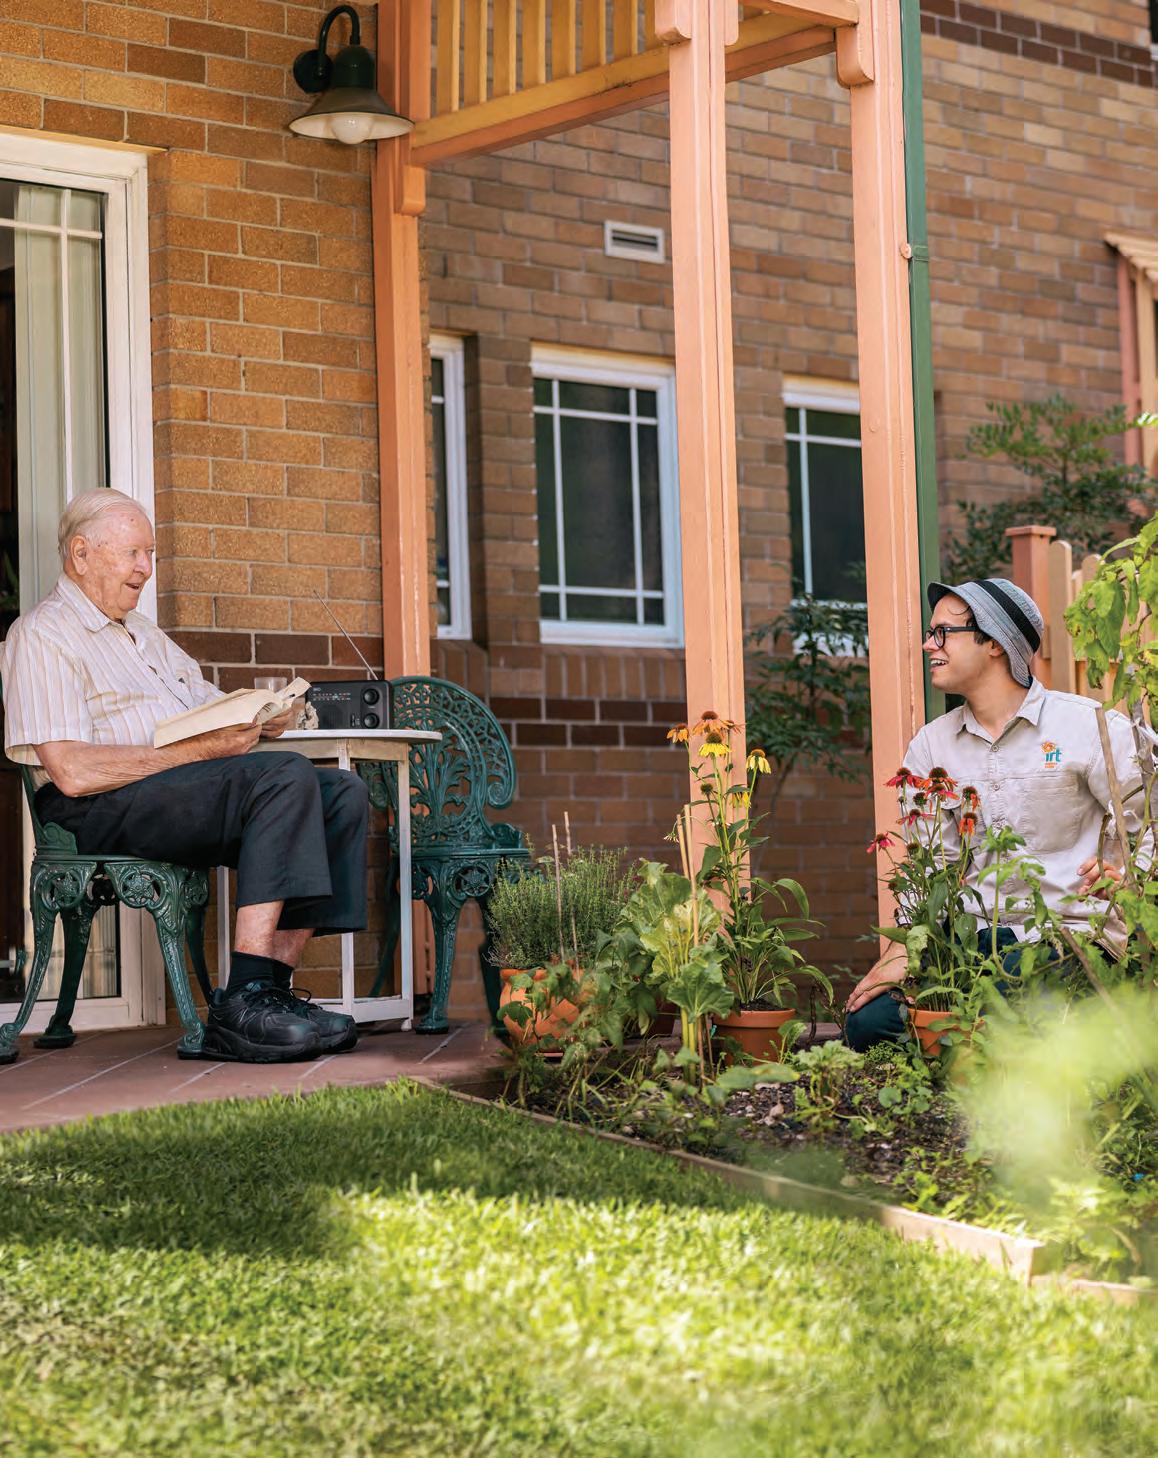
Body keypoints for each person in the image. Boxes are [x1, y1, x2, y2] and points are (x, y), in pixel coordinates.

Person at [0, 489, 368, 1063]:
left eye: (150, 554)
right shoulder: (43, 634)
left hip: (175, 789)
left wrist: (262, 718)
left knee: (341, 792)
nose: (145, 568)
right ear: (81, 554)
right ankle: (241, 1004)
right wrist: (201, 751)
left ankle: (271, 992)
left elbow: (208, 709)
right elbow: (71, 771)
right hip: (96, 804)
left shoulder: (144, 635)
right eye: (133, 553)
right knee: (283, 777)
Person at [845, 576, 1146, 1051]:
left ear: (994, 643)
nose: (928, 645)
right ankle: (991, 1046)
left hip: (1066, 942)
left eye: (943, 632)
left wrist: (1126, 875)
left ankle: (979, 1048)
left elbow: (1148, 823)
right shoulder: (932, 747)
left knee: (1007, 1001)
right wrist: (903, 949)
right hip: (967, 947)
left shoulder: (1089, 727)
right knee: (868, 1024)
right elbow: (931, 869)